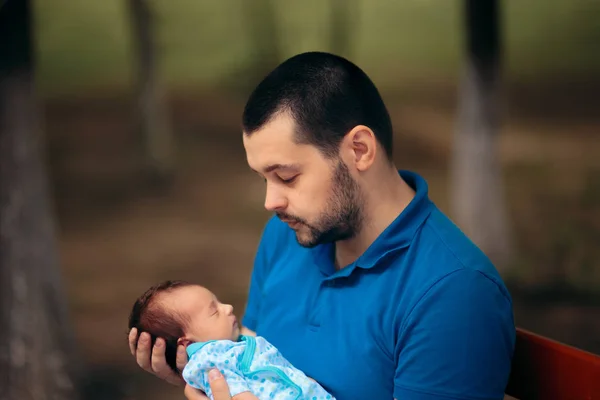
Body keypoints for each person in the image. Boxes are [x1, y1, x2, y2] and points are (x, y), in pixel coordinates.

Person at [129, 51, 516, 400]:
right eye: (263, 178)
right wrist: (205, 372)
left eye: (286, 175)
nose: (270, 201)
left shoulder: (453, 292)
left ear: (359, 150)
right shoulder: (284, 236)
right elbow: (256, 363)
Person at [128, 280, 334, 400]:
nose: (228, 308)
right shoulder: (210, 362)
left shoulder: (235, 346)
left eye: (220, 303)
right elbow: (238, 393)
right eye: (214, 311)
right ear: (187, 344)